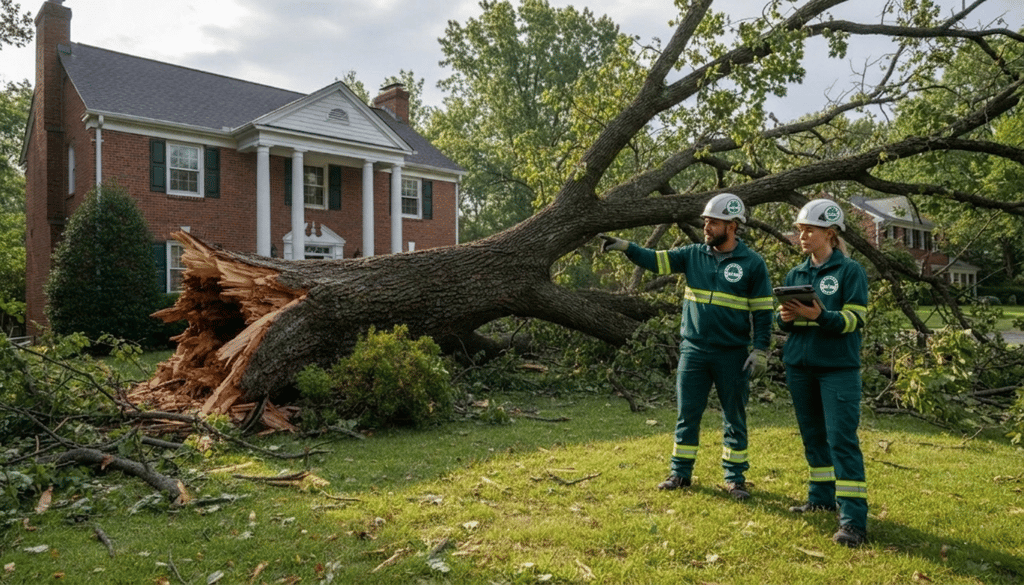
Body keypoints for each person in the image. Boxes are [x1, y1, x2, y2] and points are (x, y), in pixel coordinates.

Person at [600, 193, 774, 500]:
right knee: (687, 414)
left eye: (713, 222)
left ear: (732, 226)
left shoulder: (753, 264)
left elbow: (762, 312)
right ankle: (680, 473)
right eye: (705, 221)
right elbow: (656, 260)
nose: (706, 227)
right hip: (693, 351)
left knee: (735, 416)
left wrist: (760, 350)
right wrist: (627, 247)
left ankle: (735, 480)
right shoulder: (693, 254)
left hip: (732, 354)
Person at [776, 198, 869, 547]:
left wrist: (820, 316)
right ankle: (820, 499)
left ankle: (853, 522)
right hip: (800, 366)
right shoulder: (795, 274)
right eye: (800, 230)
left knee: (842, 442)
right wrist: (784, 319)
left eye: (809, 230)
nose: (802, 236)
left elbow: (855, 319)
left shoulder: (850, 272)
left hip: (838, 370)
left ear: (830, 233)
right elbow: (784, 320)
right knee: (813, 438)